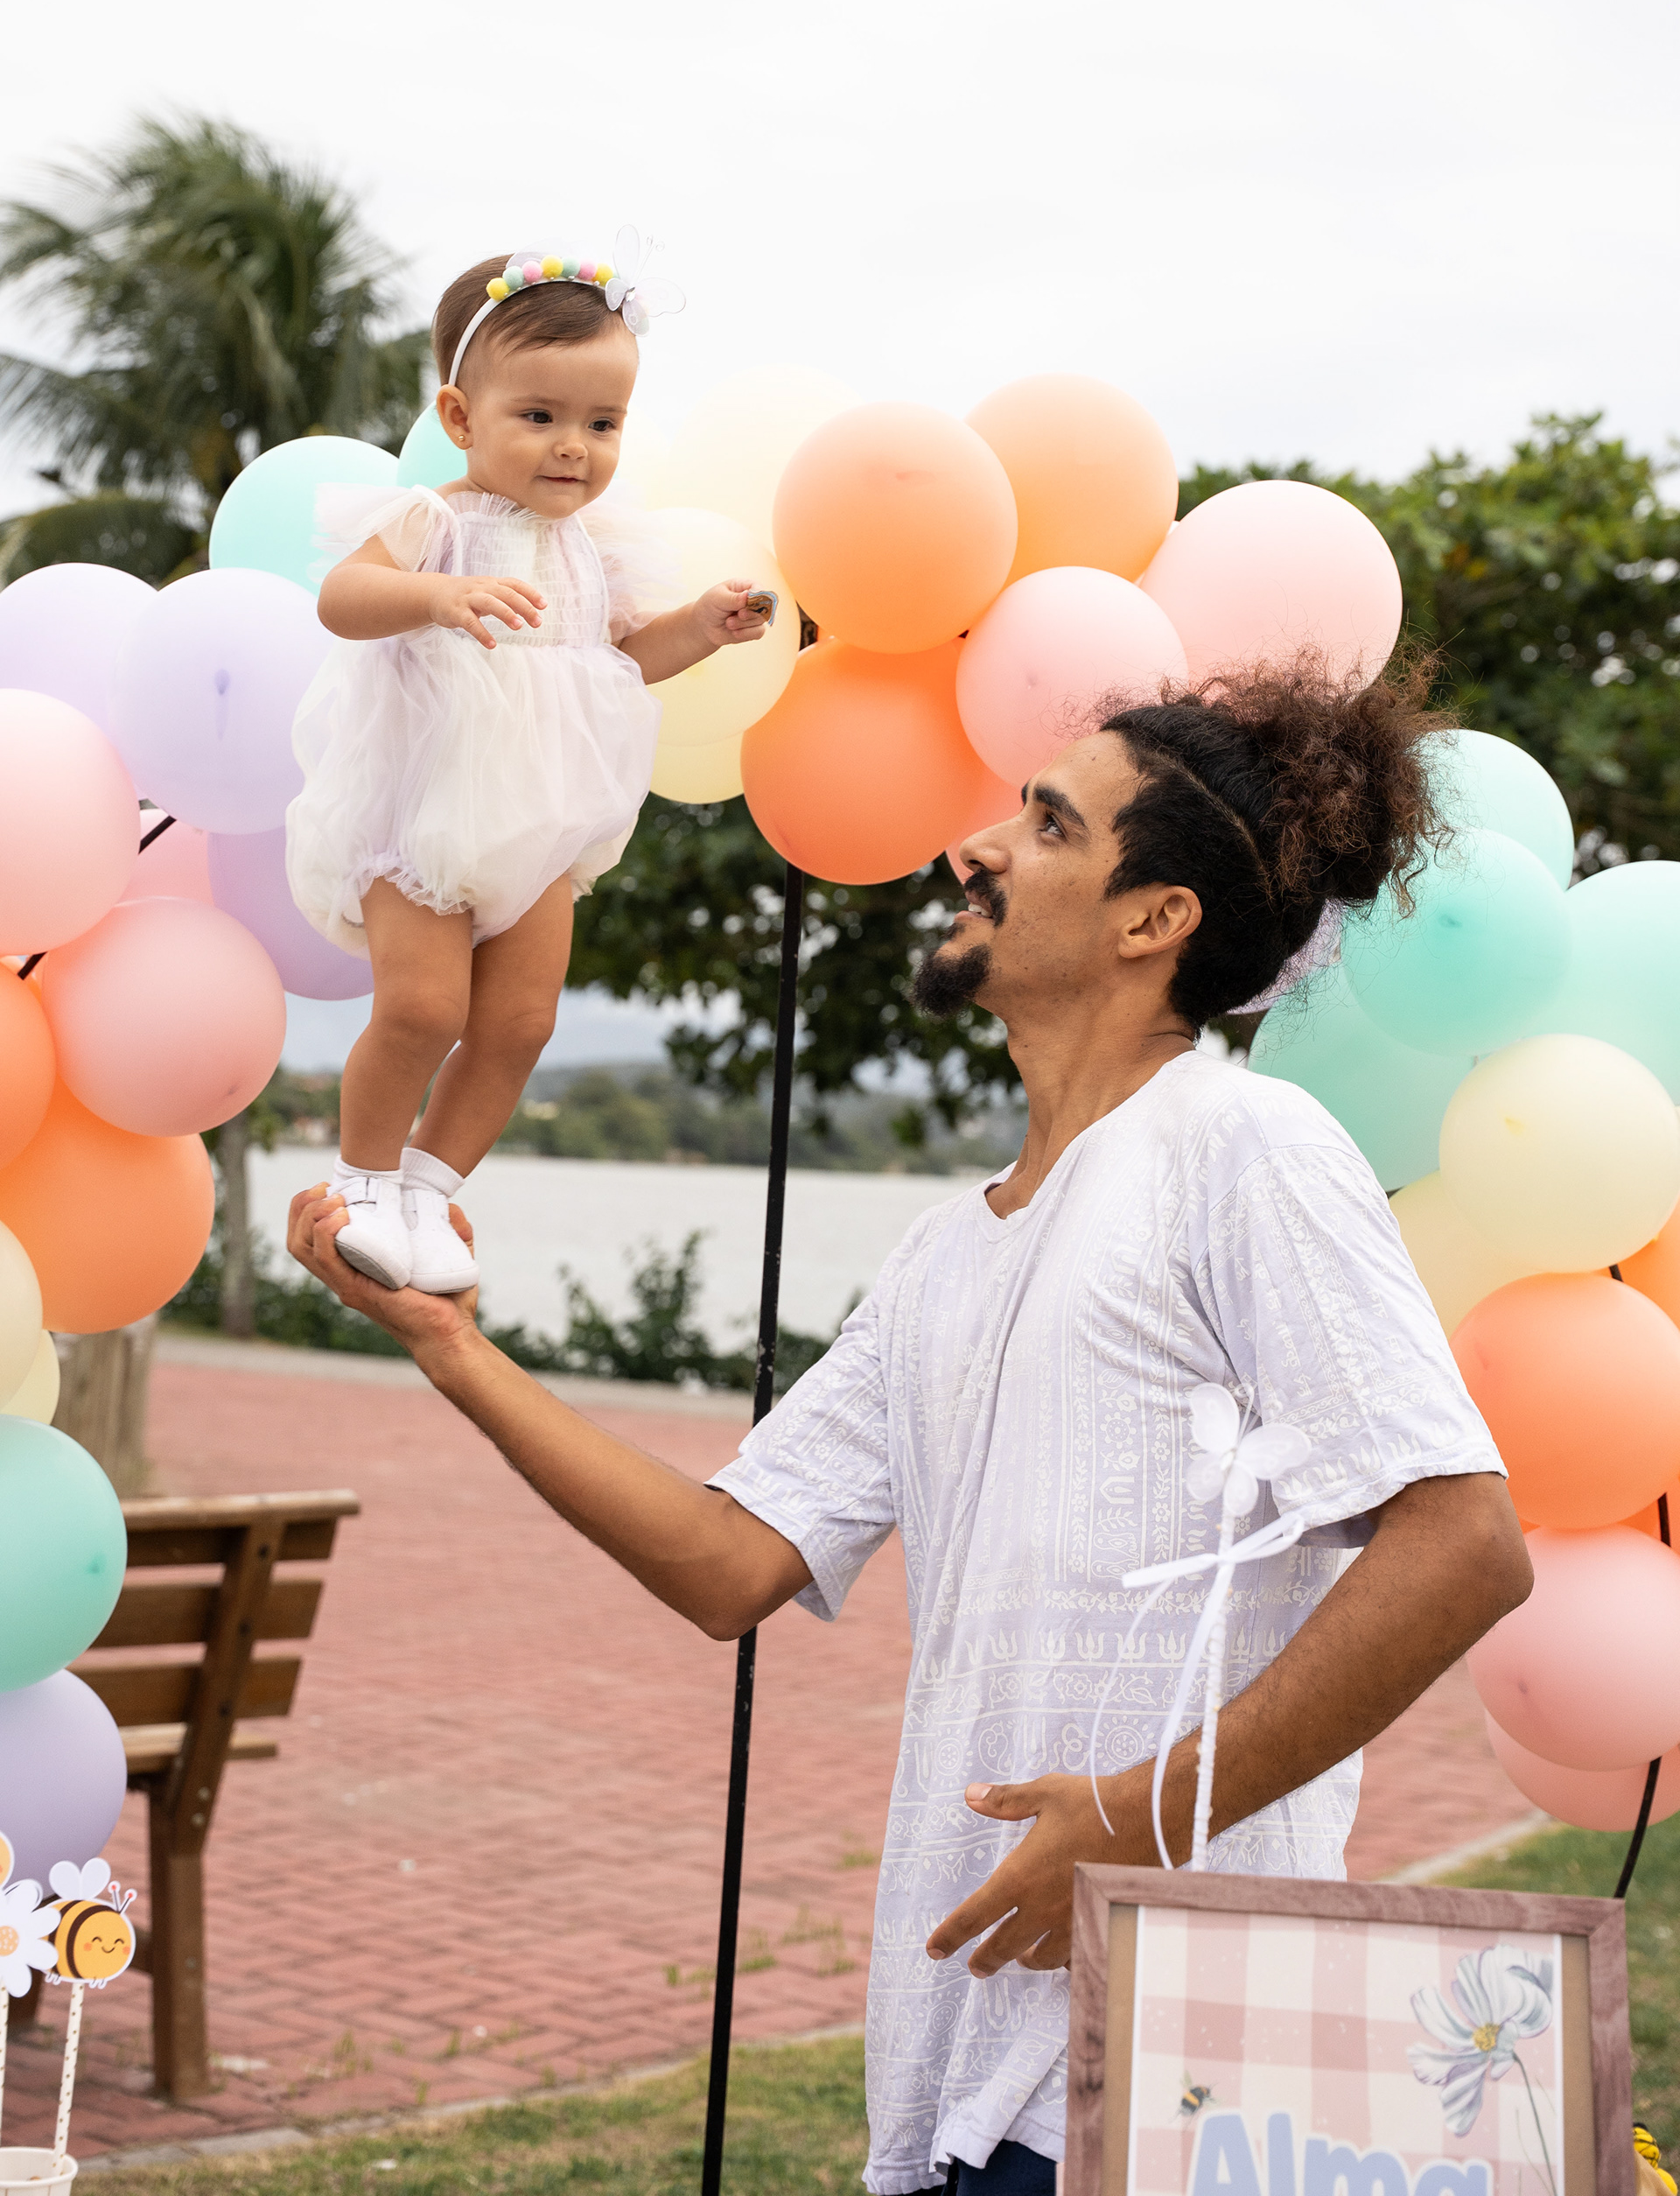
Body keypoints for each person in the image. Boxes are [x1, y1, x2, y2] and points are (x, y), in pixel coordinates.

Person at [285, 661, 1533, 2196]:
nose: (977, 848)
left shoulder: (1244, 1142)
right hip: (959, 2074)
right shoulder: (947, 1252)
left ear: (1154, 920)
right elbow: (727, 1561)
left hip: (1187, 2071)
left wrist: (1140, 1816)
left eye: (1050, 826)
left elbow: (1464, 1541)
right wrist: (452, 1350)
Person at [285, 245, 771, 1298]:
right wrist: (435, 596)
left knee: (520, 1024)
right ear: (461, 418)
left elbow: (620, 660)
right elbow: (341, 600)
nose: (572, 448)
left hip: (544, 824)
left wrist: (699, 626)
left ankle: (429, 1190)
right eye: (540, 416)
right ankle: (364, 1181)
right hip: (419, 816)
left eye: (602, 424)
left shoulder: (598, 547)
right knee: (424, 1009)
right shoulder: (432, 524)